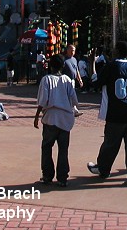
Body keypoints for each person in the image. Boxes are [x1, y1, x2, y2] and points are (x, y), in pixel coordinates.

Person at [87, 41, 127, 187]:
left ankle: (103, 169)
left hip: (116, 112)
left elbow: (95, 82)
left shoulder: (111, 66)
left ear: (118, 51)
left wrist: (91, 63)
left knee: (110, 144)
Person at [34, 54, 80, 187]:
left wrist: (37, 116)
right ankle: (62, 177)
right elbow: (75, 100)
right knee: (63, 149)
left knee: (47, 147)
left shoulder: (46, 79)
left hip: (51, 118)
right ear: (63, 66)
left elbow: (43, 101)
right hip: (65, 119)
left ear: (51, 66)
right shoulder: (67, 80)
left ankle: (47, 175)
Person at [62, 44, 84, 117]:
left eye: (73, 50)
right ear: (67, 50)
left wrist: (79, 79)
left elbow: (76, 70)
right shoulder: (64, 59)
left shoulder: (74, 59)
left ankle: (74, 110)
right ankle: (72, 110)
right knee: (69, 95)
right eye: (71, 50)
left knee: (71, 95)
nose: (72, 52)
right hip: (65, 81)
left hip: (72, 80)